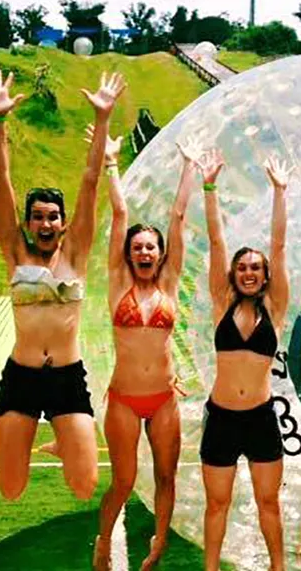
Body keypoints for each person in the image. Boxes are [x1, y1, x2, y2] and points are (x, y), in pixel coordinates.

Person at [0, 70, 126, 501]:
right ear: (28, 223)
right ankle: (57, 437)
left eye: (53, 216)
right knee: (10, 488)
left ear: (63, 224)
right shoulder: (16, 253)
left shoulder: (76, 254)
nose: (46, 223)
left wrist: (102, 120)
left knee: (84, 486)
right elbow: (0, 183)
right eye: (38, 216)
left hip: (66, 377)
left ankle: (65, 439)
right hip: (21, 377)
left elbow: (90, 179)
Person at [92, 127, 202, 570]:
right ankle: (103, 542)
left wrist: (189, 167)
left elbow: (177, 218)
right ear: (129, 254)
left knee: (165, 476)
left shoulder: (169, 285)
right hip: (123, 398)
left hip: (163, 400)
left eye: (150, 248)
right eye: (136, 247)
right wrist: (112, 163)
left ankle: (158, 544)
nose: (143, 252)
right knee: (122, 480)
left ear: (160, 255)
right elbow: (120, 212)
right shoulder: (119, 283)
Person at [198, 148, 293, 571]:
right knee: (216, 503)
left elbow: (279, 243)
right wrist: (210, 186)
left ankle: (278, 567)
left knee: (267, 502)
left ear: (266, 273)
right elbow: (217, 240)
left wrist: (279, 192)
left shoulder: (275, 309)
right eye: (243, 267)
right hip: (220, 418)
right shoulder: (221, 305)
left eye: (257, 267)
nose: (250, 272)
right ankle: (211, 567)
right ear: (233, 274)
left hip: (259, 419)